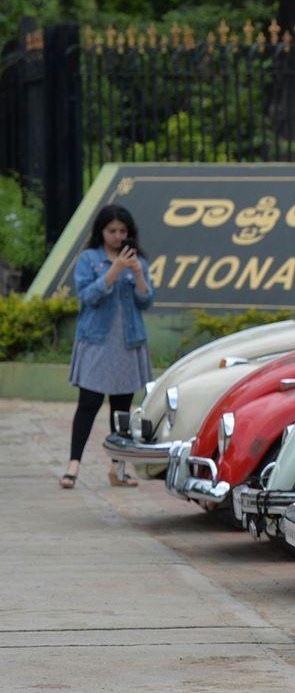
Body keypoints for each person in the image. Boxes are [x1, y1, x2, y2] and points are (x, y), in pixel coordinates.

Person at [62, 204, 155, 488]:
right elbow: (88, 297)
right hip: (96, 341)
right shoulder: (89, 260)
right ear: (101, 232)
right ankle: (73, 465)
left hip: (128, 343)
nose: (117, 236)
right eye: (112, 230)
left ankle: (118, 468)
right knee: (88, 403)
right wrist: (113, 271)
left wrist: (138, 273)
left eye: (122, 231)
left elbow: (146, 301)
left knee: (121, 408)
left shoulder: (137, 260)